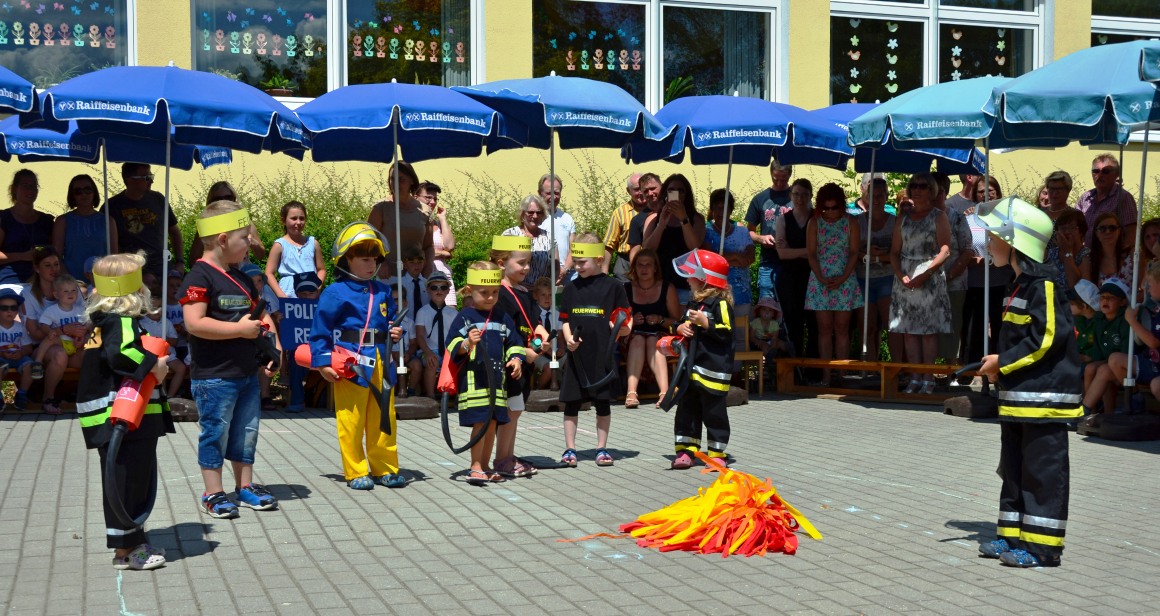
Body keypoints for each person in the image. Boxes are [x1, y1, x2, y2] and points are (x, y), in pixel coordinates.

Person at [974, 196, 1082, 568]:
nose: (988, 243)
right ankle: (1011, 537)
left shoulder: (1044, 285)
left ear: (1014, 240)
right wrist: (1000, 368)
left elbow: (1048, 337)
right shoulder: (1018, 285)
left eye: (993, 236)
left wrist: (1002, 363)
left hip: (1044, 401)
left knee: (1042, 474)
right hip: (1019, 399)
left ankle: (1042, 549)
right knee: (1015, 470)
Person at [180, 200, 281, 519]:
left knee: (246, 431)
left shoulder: (240, 276)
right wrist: (238, 329)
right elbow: (194, 323)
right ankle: (213, 493)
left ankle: (245, 486)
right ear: (223, 239)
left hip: (246, 373)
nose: (250, 243)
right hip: (214, 376)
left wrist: (274, 349)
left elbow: (260, 314)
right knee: (215, 432)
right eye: (244, 237)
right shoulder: (198, 277)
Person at [75, 252, 173, 571]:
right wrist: (155, 365)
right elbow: (123, 354)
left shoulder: (103, 321)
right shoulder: (121, 321)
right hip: (123, 420)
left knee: (130, 480)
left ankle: (133, 541)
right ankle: (126, 551)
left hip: (113, 419)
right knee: (127, 482)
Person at [309, 222, 405, 490]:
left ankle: (385, 468)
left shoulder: (382, 291)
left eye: (374, 259)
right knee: (351, 419)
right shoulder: (334, 292)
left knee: (383, 417)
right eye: (364, 259)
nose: (371, 264)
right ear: (346, 259)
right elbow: (320, 331)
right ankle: (356, 470)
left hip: (382, 360)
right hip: (351, 362)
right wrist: (323, 364)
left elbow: (390, 321)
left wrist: (396, 332)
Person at [446, 261, 524, 485]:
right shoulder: (464, 317)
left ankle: (487, 465)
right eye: (484, 292)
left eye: (495, 292)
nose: (490, 297)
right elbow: (451, 345)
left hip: (497, 383)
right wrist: (466, 343)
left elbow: (514, 342)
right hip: (474, 383)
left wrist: (516, 359)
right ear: (470, 290)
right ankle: (476, 466)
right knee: (481, 423)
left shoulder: (502, 316)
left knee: (492, 425)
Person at [558, 235, 631, 468]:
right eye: (575, 262)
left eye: (582, 262)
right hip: (577, 355)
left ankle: (601, 448)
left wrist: (621, 328)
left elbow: (626, 321)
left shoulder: (614, 287)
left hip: (602, 355)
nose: (577, 267)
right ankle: (570, 449)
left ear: (599, 259)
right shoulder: (571, 288)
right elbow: (565, 320)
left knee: (602, 403)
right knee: (571, 403)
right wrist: (569, 339)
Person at [669, 249, 735, 470]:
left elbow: (727, 332)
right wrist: (679, 328)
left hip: (713, 369)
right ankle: (686, 451)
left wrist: (706, 323)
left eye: (691, 275)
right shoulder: (694, 303)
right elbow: (679, 324)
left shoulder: (720, 303)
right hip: (691, 369)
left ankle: (717, 454)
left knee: (714, 412)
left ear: (705, 279)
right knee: (686, 411)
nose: (687, 280)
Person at [490, 235, 549, 478]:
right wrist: (525, 353)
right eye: (521, 263)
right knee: (510, 412)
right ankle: (502, 459)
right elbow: (499, 335)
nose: (526, 268)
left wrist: (542, 339)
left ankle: (509, 455)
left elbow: (534, 324)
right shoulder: (498, 295)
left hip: (525, 362)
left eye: (528, 262)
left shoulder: (525, 293)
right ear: (502, 264)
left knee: (516, 410)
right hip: (510, 362)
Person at [889, 173, 951, 394]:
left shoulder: (938, 216)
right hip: (905, 277)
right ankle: (915, 378)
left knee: (928, 331)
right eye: (913, 186)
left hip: (930, 276)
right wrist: (901, 275)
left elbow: (945, 249)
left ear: (931, 189)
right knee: (908, 330)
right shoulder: (903, 218)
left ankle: (928, 378)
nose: (917, 189)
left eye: (922, 186)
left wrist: (927, 273)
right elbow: (894, 252)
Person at [1081, 270, 1160, 433]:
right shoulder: (1100, 319)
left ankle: (1134, 398)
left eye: (1150, 284)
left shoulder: (1127, 316)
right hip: (1146, 363)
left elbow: (1153, 343)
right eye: (1103, 297)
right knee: (1100, 369)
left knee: (1113, 361)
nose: (1146, 288)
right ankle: (1086, 413)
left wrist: (1131, 320)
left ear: (1122, 301)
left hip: (1148, 365)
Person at [805, 183, 863, 386]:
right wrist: (821, 277)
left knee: (842, 329)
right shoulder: (814, 223)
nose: (830, 212)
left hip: (845, 280)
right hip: (820, 280)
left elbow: (854, 252)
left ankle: (842, 374)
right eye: (825, 208)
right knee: (824, 329)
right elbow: (811, 253)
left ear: (841, 205)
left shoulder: (851, 222)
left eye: (834, 208)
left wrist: (843, 277)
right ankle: (826, 376)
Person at [623, 249, 680, 409]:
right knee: (638, 340)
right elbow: (618, 320)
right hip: (632, 337)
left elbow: (677, 322)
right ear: (634, 268)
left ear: (655, 268)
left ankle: (664, 393)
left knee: (654, 341)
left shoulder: (667, 288)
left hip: (660, 337)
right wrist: (632, 321)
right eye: (640, 265)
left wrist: (660, 319)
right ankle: (631, 392)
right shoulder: (626, 288)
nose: (644, 268)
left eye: (648, 264)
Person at [703, 188, 755, 356]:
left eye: (724, 208)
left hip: (741, 294)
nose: (720, 212)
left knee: (740, 338)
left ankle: (738, 371)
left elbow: (749, 258)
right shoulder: (706, 231)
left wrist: (724, 258)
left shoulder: (742, 232)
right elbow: (711, 260)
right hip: (716, 294)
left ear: (731, 209)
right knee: (719, 335)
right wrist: (736, 257)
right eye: (717, 208)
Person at [108, 163, 183, 279]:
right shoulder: (111, 207)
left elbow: (174, 232)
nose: (151, 181)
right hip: (132, 273)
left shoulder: (158, 199)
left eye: (151, 176)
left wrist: (180, 262)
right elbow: (109, 246)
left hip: (162, 270)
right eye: (147, 178)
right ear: (130, 180)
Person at [641, 174, 706, 305]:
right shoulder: (653, 218)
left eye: (680, 190)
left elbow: (694, 246)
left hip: (685, 284)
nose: (676, 193)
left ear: (687, 195)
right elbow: (647, 250)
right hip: (659, 284)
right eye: (671, 190)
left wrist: (683, 219)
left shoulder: (696, 219)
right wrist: (661, 225)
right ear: (665, 193)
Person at [776, 179, 819, 372]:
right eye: (796, 194)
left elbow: (820, 252)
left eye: (804, 194)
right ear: (790, 195)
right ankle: (795, 370)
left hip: (814, 277)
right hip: (790, 279)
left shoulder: (817, 218)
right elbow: (782, 254)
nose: (800, 198)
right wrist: (808, 251)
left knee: (814, 324)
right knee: (793, 324)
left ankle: (813, 369)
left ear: (810, 196)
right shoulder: (783, 220)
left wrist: (794, 250)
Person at [933, 173, 975, 368]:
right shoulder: (919, 217)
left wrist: (949, 276)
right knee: (928, 327)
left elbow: (967, 250)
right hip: (926, 283)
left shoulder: (957, 218)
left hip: (954, 282)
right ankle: (927, 370)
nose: (934, 195)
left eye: (938, 191)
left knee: (952, 325)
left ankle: (951, 369)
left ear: (945, 192)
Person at [855, 177, 897, 364]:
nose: (877, 200)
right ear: (866, 196)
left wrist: (875, 256)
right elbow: (851, 251)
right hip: (863, 278)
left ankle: (896, 367)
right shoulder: (858, 221)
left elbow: (897, 254)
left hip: (887, 278)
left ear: (887, 196)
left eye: (881, 195)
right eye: (873, 195)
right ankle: (870, 368)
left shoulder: (894, 222)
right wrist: (868, 254)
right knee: (868, 328)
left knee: (891, 325)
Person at [368, 161, 434, 278]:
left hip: (416, 277)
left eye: (401, 180)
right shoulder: (381, 208)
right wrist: (380, 261)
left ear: (411, 181)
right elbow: (369, 240)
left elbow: (428, 246)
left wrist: (428, 267)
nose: (395, 184)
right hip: (388, 277)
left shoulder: (425, 211)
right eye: (392, 179)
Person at [34, 275, 88, 414]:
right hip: (59, 343)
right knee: (52, 340)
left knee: (91, 350)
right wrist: (52, 331)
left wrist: (81, 338)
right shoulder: (52, 310)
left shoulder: (80, 310)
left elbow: (86, 326)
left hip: (74, 346)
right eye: (66, 291)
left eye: (73, 291)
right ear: (56, 294)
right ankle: (38, 363)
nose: (70, 294)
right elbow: (43, 325)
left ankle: (87, 396)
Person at [53, 174, 117, 280]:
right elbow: (56, 257)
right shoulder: (62, 221)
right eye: (78, 191)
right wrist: (70, 281)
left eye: (88, 190)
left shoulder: (108, 221)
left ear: (94, 192)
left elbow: (114, 255)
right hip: (71, 282)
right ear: (72, 195)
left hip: (102, 280)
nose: (83, 194)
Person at [745, 162, 793, 300]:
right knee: (767, 306)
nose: (779, 183)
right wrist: (761, 238)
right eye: (775, 179)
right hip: (768, 263)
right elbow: (749, 232)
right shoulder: (760, 199)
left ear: (790, 175)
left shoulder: (798, 197)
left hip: (793, 263)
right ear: (771, 174)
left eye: (783, 179)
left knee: (791, 305)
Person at [188, 182, 267, 265]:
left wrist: (252, 241)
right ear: (210, 202)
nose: (224, 202)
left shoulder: (243, 220)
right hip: (218, 271)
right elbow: (193, 259)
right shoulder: (208, 225)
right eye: (218, 199)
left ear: (234, 199)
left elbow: (260, 256)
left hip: (243, 270)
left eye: (228, 197)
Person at [0, 170, 54, 284]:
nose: (30, 190)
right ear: (15, 189)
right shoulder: (4, 218)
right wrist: (23, 256)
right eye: (25, 185)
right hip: (10, 279)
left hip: (42, 281)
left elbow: (54, 252)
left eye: (33, 186)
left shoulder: (46, 220)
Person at [410, 272, 457, 399]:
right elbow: (420, 335)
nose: (439, 291)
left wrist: (452, 352)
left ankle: (452, 395)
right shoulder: (423, 312)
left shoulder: (453, 313)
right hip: (428, 350)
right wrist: (428, 352)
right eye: (434, 288)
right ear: (428, 290)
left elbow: (456, 335)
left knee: (457, 361)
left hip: (448, 350)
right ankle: (430, 396)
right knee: (432, 361)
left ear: (448, 291)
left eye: (443, 287)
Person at [266, 201, 325, 299]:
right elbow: (269, 273)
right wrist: (281, 295)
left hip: (310, 295)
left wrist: (316, 288)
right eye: (293, 218)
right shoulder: (279, 245)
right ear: (283, 220)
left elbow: (321, 269)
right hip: (288, 294)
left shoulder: (313, 243)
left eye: (302, 218)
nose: (298, 222)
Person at [137, 283, 187, 399]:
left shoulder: (166, 322)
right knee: (161, 369)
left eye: (160, 307)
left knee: (181, 368)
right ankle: (162, 396)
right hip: (153, 356)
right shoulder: (142, 323)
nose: (157, 311)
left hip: (168, 354)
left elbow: (174, 340)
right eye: (153, 308)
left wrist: (164, 340)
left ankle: (170, 395)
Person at [1078, 153, 1138, 247]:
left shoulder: (1123, 197)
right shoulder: (1085, 197)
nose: (1100, 175)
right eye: (1096, 171)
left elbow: (1131, 235)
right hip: (1085, 254)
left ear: (1116, 174)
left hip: (1111, 254)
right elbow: (1075, 226)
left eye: (1106, 171)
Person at [284, 271, 322, 413]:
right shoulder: (290, 309)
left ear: (318, 292)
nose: (307, 297)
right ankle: (297, 400)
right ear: (296, 293)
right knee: (295, 358)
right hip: (302, 350)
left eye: (311, 293)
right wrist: (282, 319)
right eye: (303, 293)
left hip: (322, 349)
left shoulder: (326, 307)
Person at [502, 195, 559, 284]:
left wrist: (548, 285)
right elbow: (500, 263)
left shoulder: (549, 237)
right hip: (515, 288)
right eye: (530, 212)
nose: (535, 216)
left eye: (539, 213)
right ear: (522, 214)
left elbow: (556, 267)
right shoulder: (510, 234)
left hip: (541, 290)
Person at [418, 181, 457, 306]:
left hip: (444, 276)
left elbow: (450, 246)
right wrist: (442, 253)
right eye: (428, 198)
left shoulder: (438, 224)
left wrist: (442, 218)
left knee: (450, 312)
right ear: (415, 197)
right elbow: (417, 250)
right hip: (423, 276)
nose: (432, 202)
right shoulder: (413, 223)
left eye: (435, 199)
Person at [603, 172, 646, 279]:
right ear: (628, 191)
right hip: (624, 264)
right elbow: (609, 245)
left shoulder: (656, 210)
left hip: (650, 262)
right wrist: (603, 272)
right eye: (637, 189)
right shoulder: (619, 213)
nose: (641, 192)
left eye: (643, 188)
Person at [0, 284, 36, 411]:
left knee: (31, 367)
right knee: (2, 368)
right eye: (4, 308)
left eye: (13, 308)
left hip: (18, 357)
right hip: (1, 359)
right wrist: (2, 354)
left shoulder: (20, 326)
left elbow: (28, 348)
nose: (9, 311)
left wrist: (21, 353)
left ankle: (21, 395)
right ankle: (4, 399)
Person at [538, 174, 576, 282]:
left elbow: (573, 248)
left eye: (556, 193)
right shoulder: (535, 219)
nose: (553, 197)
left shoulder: (567, 219)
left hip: (567, 274)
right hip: (542, 275)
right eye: (548, 193)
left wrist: (564, 270)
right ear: (540, 193)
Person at [22, 247, 61, 344]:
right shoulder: (27, 295)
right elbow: (35, 334)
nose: (53, 269)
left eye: (56, 264)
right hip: (41, 345)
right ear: (37, 268)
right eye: (47, 265)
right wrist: (64, 329)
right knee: (59, 352)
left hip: (72, 341)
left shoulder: (72, 288)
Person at [1046, 209, 1089, 292]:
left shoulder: (1086, 255)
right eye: (1063, 228)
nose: (1067, 232)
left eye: (1072, 228)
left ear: (1081, 232)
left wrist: (1067, 253)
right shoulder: (1051, 253)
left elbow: (1078, 288)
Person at [1087, 212, 1133, 287]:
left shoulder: (1132, 255)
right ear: (1096, 233)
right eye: (1102, 229)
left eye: (1112, 228)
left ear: (1119, 231)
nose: (1108, 232)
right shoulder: (1089, 260)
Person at [625, 173, 663, 263]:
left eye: (653, 188)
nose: (650, 193)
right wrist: (635, 270)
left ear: (662, 187)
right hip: (655, 268)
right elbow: (634, 253)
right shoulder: (637, 220)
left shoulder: (675, 211)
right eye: (645, 191)